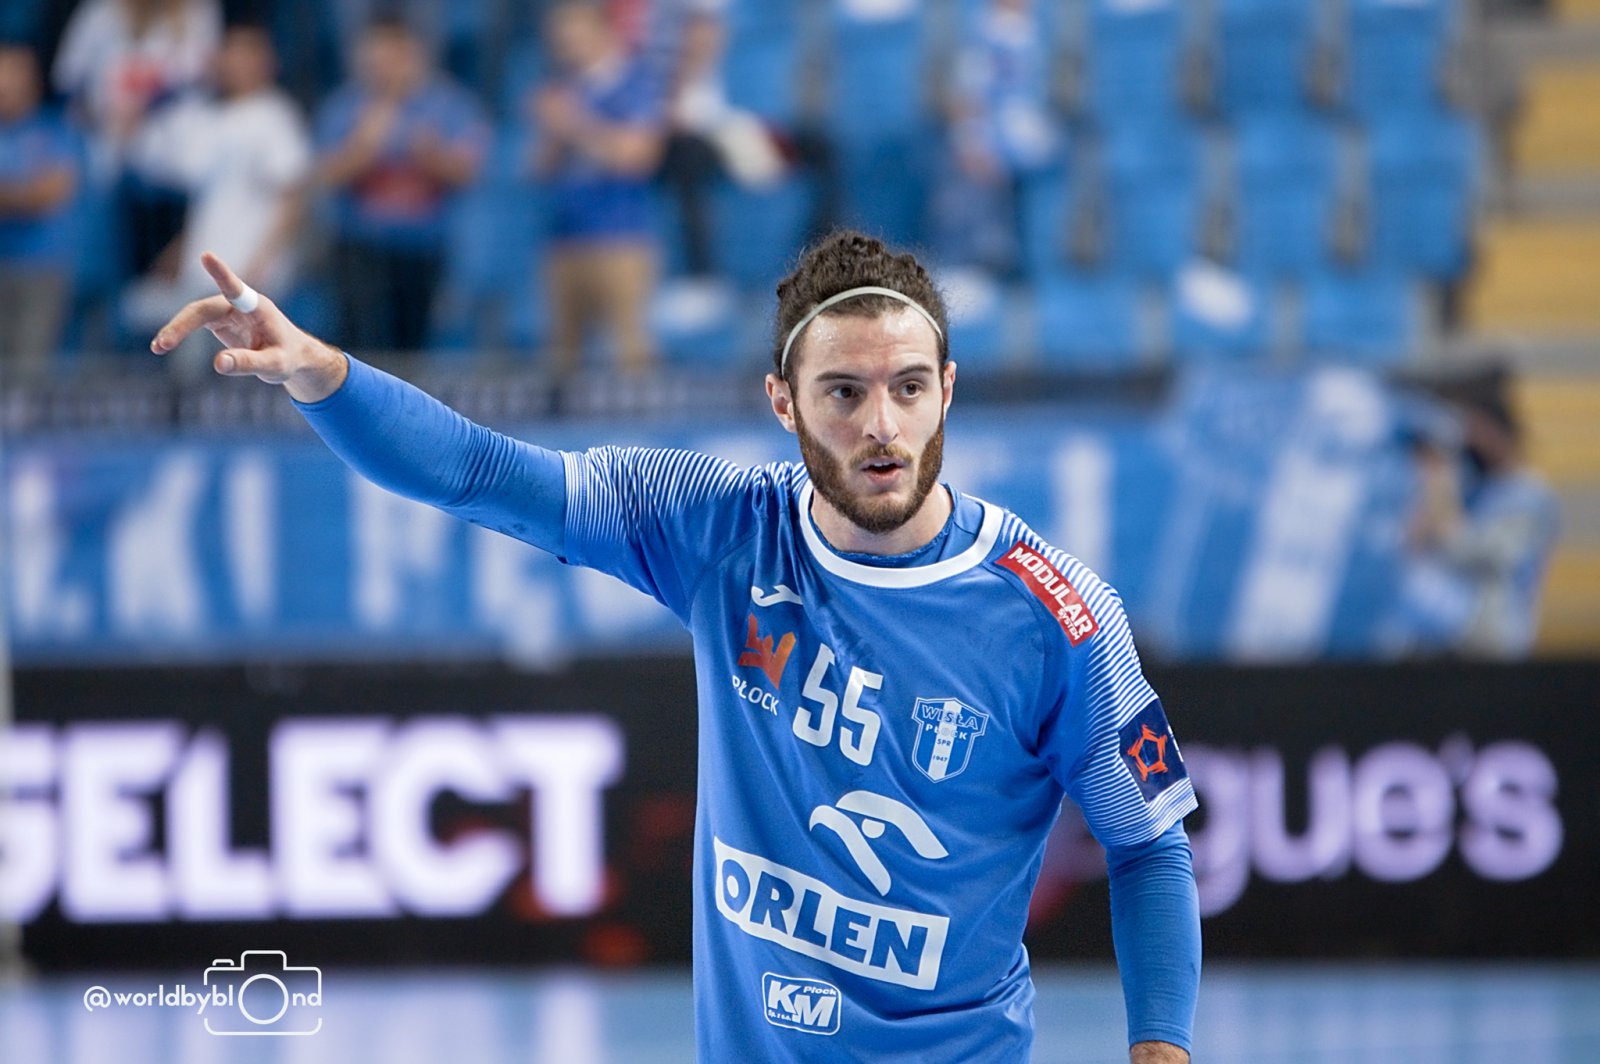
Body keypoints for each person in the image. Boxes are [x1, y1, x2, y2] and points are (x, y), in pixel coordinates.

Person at [150, 231, 1201, 1064]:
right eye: (844, 392)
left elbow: (1149, 844)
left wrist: (1160, 1046)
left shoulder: (1059, 615)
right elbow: (479, 472)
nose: (882, 425)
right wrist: (320, 373)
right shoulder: (719, 528)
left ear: (948, 391)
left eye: (909, 387)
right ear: (783, 402)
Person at [123, 24, 310, 373]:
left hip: (252, 272)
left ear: (266, 62)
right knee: (195, 366)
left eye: (247, 53)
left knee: (248, 366)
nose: (237, 62)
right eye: (231, 53)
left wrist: (263, 262)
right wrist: (178, 253)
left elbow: (292, 197)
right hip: (204, 270)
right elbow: (210, 204)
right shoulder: (211, 121)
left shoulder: (274, 115)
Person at [314, 15, 488, 352]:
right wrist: (363, 147)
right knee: (358, 349)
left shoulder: (450, 104)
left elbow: (469, 174)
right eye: (374, 58)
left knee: (411, 350)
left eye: (392, 57)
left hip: (423, 247)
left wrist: (432, 154)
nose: (383, 67)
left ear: (413, 55)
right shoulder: (344, 106)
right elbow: (325, 176)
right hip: (359, 247)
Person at [529, 0, 665, 375]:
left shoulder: (637, 83)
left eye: (575, 36)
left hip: (620, 239)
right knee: (561, 359)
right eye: (561, 40)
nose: (568, 47)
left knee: (630, 355)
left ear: (603, 33)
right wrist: (550, 132)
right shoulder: (562, 88)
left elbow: (636, 156)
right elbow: (538, 170)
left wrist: (573, 123)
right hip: (564, 237)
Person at [1394, 374, 1560, 659]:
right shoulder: (1472, 486)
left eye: (1478, 429)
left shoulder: (1530, 496)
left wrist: (1442, 515)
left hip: (1494, 637)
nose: (1472, 440)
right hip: (1443, 636)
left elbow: (1485, 553)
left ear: (1500, 432)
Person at [51, 0, 223, 274]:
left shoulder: (196, 10)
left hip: (177, 162)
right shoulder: (101, 11)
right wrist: (100, 115)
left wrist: (147, 106)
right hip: (110, 155)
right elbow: (68, 80)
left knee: (165, 268)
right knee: (109, 256)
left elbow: (203, 72)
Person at [0, 43, 79, 380]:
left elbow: (53, 193)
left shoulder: (54, 129)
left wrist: (14, 197)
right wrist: (25, 194)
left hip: (42, 267)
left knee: (30, 370)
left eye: (11, 71)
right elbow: (35, 194)